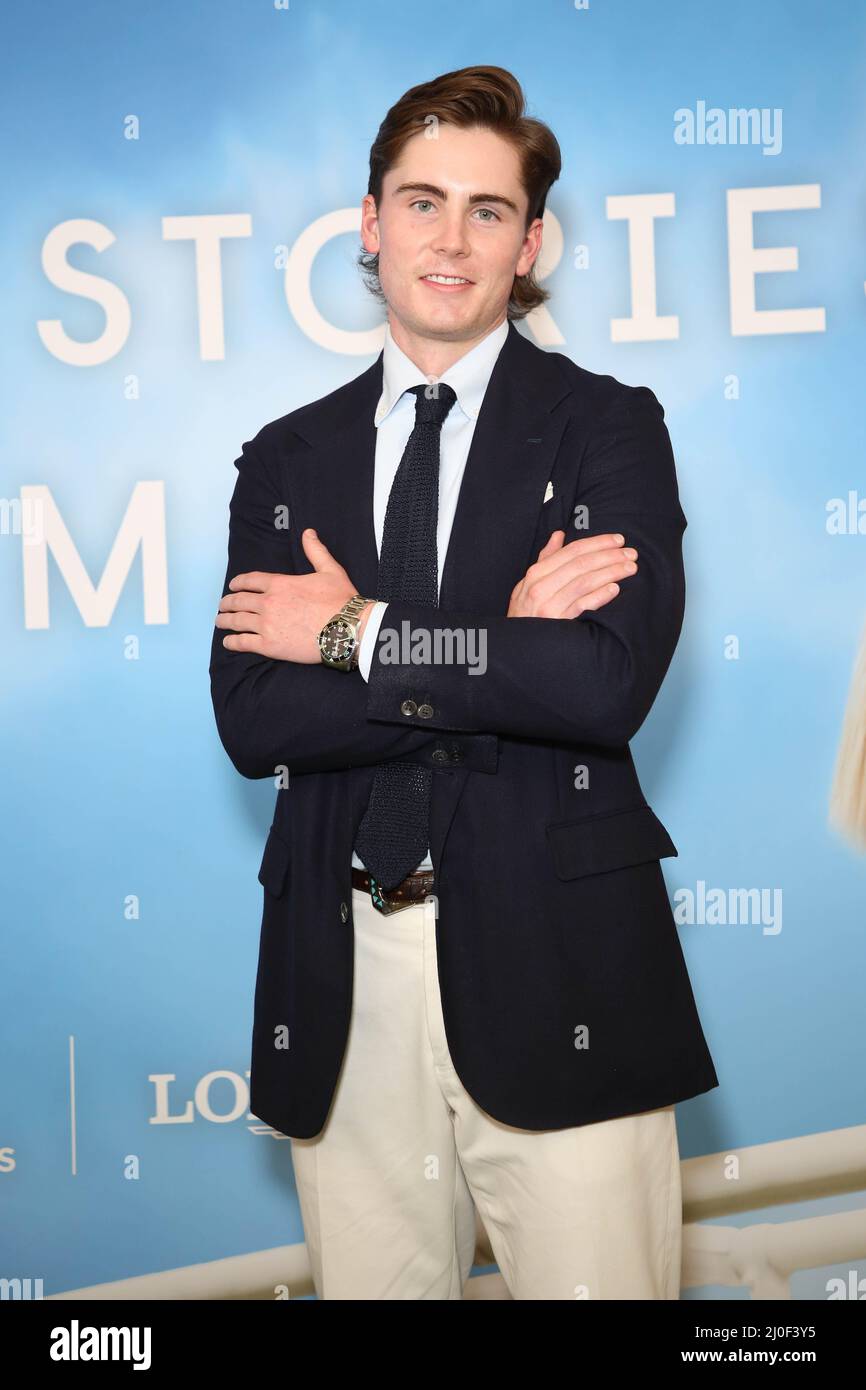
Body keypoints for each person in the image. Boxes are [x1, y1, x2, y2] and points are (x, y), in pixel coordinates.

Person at [210, 64, 718, 1300]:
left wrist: (358, 633)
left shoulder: (607, 427)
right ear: (370, 223)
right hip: (344, 972)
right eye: (420, 202)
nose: (450, 239)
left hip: (560, 960)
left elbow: (598, 686)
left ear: (530, 240)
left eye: (487, 210)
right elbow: (251, 716)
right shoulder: (286, 455)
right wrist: (501, 638)